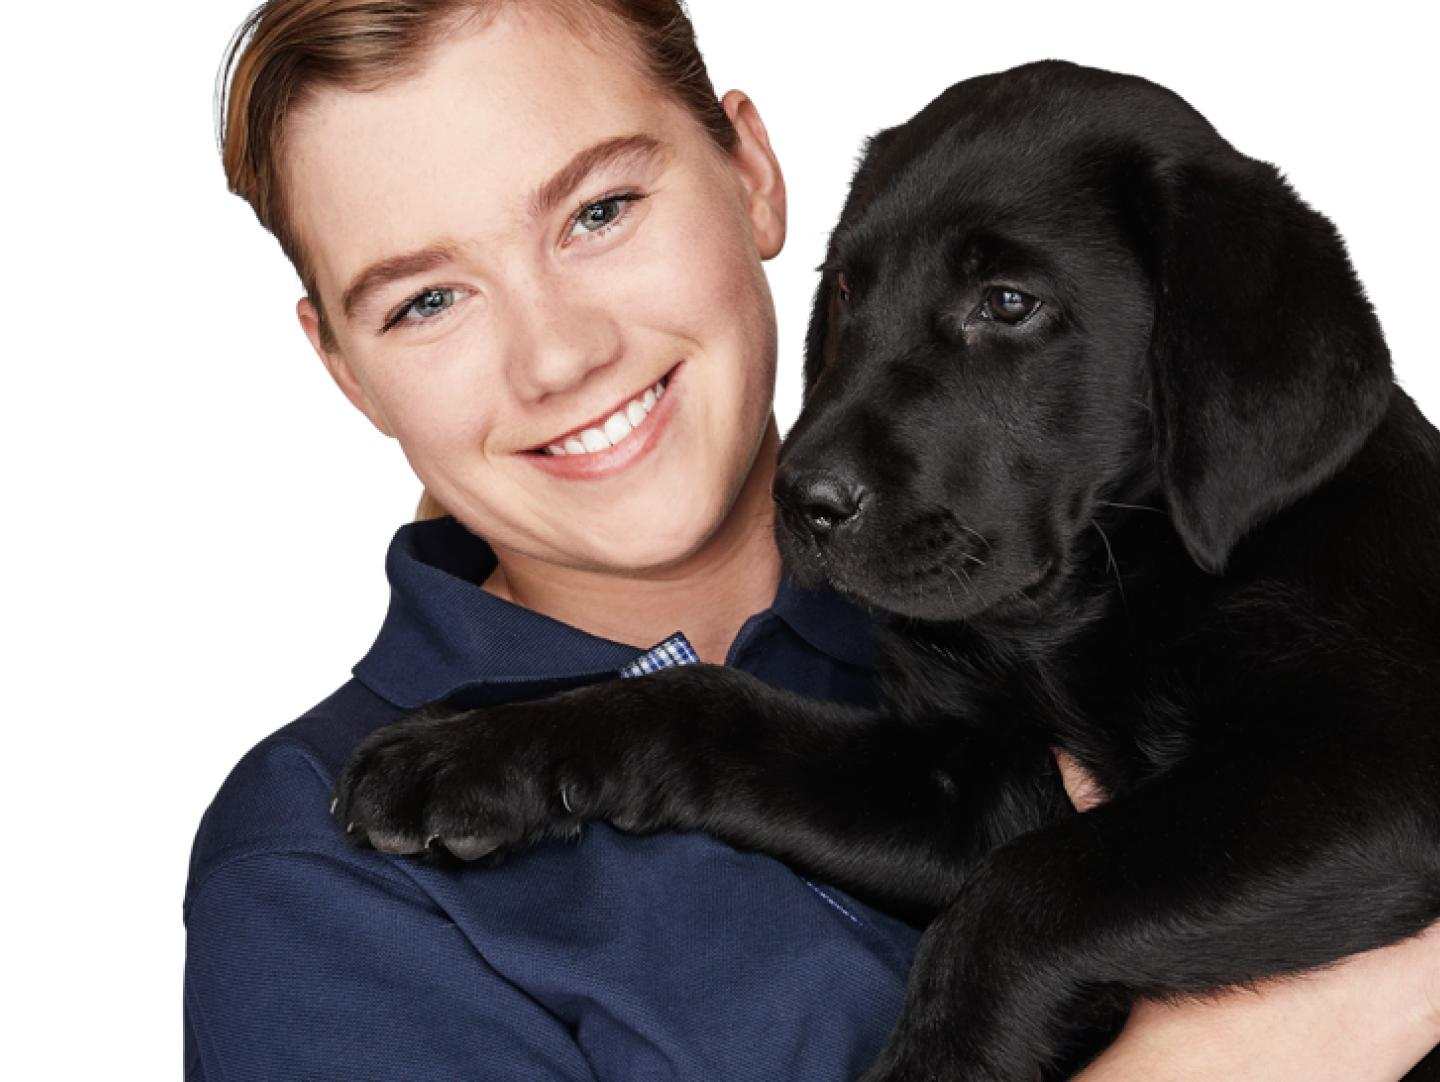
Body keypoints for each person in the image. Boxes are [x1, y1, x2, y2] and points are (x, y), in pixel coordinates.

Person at [186, 1, 1440, 1078]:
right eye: (427, 299)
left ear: (753, 172)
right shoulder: (318, 874)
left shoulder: (1038, 590)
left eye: (602, 210)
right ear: (342, 367)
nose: (558, 352)